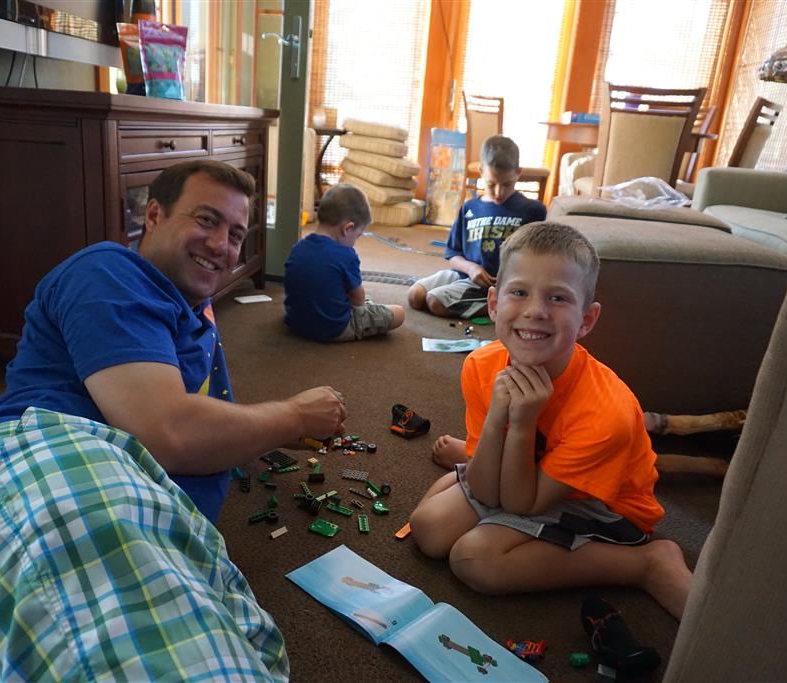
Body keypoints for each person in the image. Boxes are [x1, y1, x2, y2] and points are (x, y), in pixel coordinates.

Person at [0, 159, 347, 681]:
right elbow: (166, 432)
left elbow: (188, 430)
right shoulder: (109, 270)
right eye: (206, 220)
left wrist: (259, 431)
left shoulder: (192, 319)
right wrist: (292, 415)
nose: (222, 244)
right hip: (31, 460)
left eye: (237, 234)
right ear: (153, 215)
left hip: (110, 503)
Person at [408, 222, 692, 621]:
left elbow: (522, 503)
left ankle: (645, 565)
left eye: (558, 298)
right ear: (494, 304)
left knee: (475, 560)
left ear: (586, 319)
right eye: (519, 292)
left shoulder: (605, 413)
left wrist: (522, 421)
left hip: (599, 504)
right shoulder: (480, 366)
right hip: (525, 472)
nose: (535, 311)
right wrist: (498, 420)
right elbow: (489, 491)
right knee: (428, 530)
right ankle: (468, 465)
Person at [408, 134, 546, 320]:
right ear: (481, 171)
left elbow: (538, 260)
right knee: (415, 296)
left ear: (518, 173)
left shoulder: (533, 210)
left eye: (507, 184)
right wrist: (471, 268)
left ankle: (501, 306)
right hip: (464, 273)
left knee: (435, 302)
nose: (499, 192)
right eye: (491, 184)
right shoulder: (470, 208)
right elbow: (453, 253)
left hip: (495, 285)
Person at [284, 183, 405, 342]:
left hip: (296, 322)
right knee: (399, 313)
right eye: (357, 236)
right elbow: (358, 300)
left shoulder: (297, 248)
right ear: (348, 228)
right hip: (334, 328)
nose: (355, 242)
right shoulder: (346, 255)